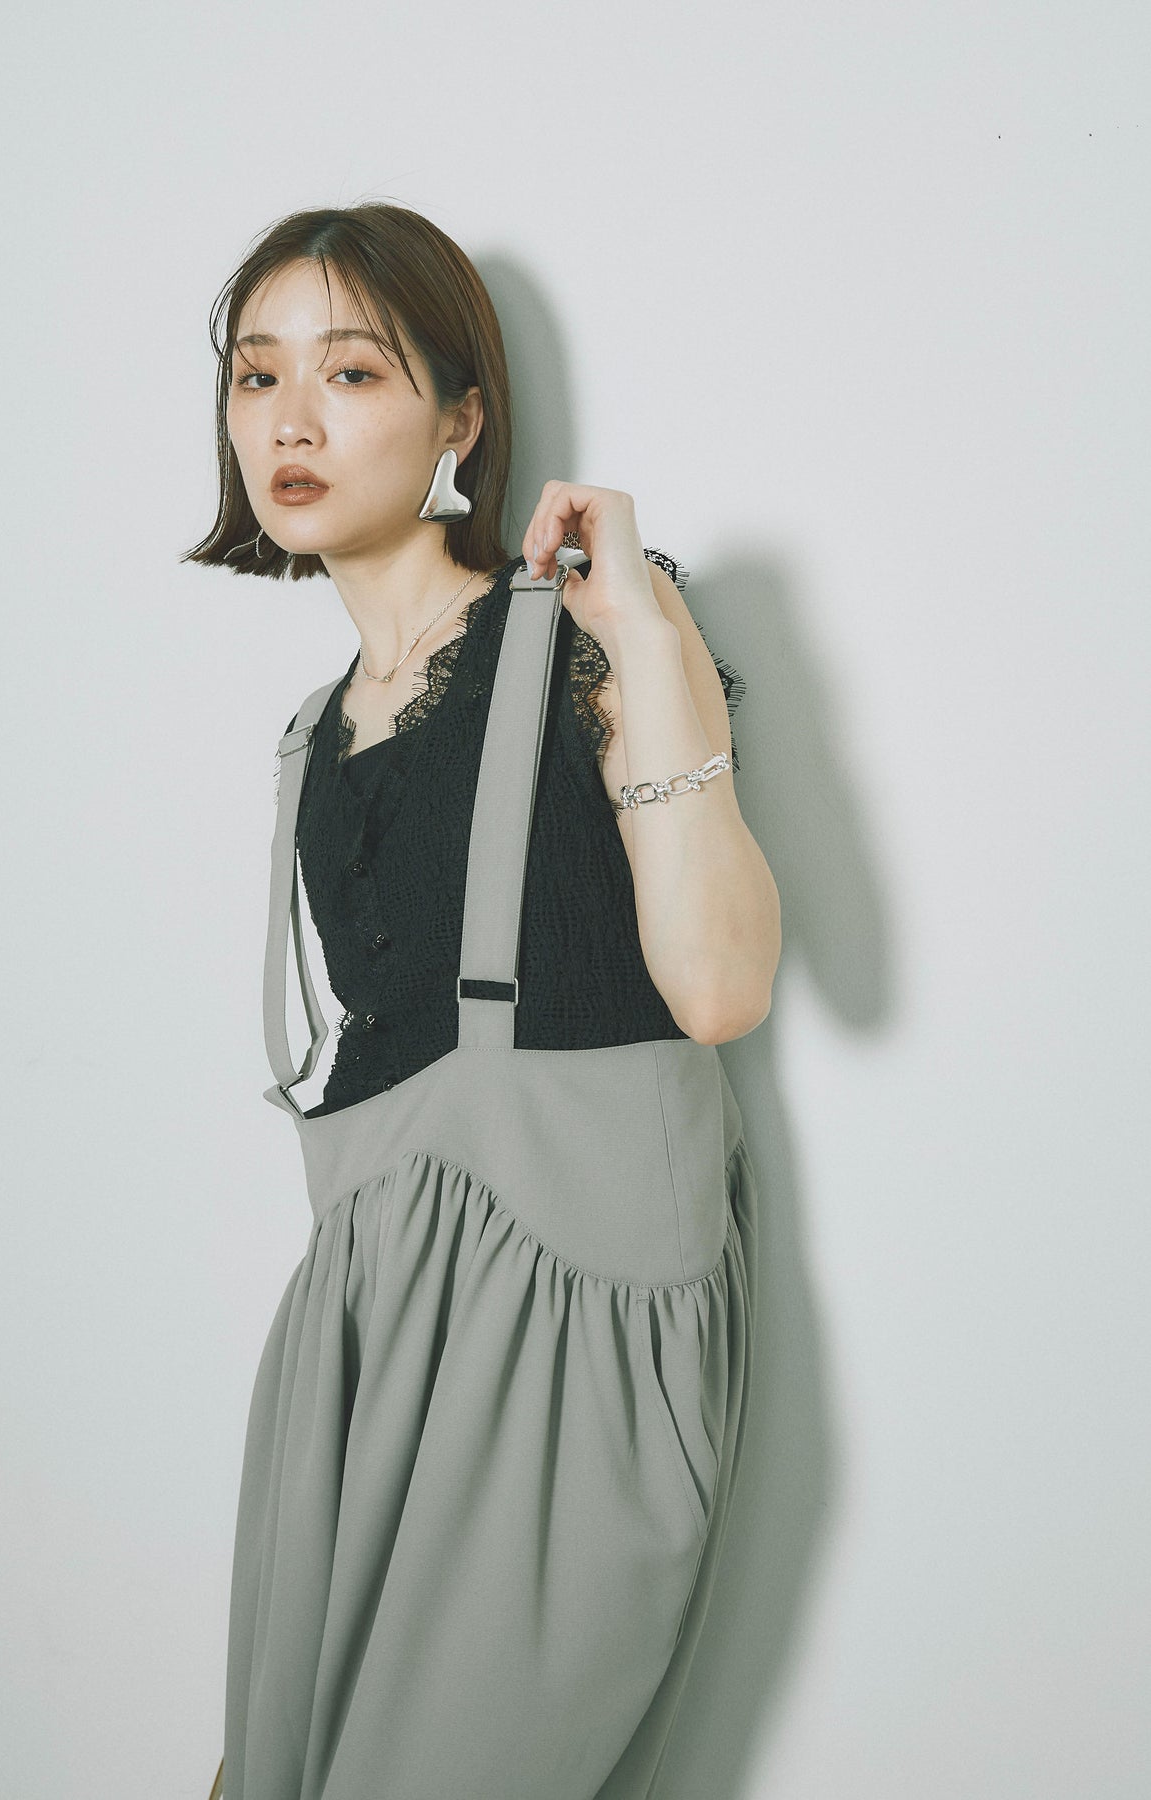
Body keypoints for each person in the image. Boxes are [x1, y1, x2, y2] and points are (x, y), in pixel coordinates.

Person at [183, 202, 781, 1800]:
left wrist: (639, 628)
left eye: (350, 372)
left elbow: (720, 987)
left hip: (568, 1307)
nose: (289, 421)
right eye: (255, 376)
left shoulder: (581, 634)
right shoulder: (315, 736)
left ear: (460, 418)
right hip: (361, 1329)